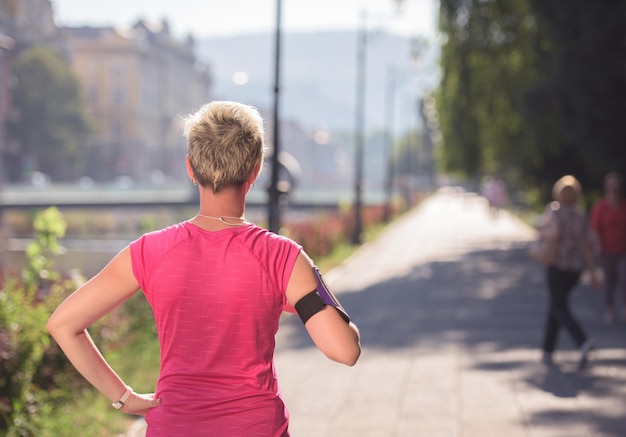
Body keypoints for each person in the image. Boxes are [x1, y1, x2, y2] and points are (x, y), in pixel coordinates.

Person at [47, 101, 361, 436]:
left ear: (190, 168)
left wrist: (123, 398)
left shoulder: (149, 251)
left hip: (173, 427)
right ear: (255, 170)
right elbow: (344, 350)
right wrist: (312, 281)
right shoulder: (281, 256)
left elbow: (63, 324)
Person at [540, 175, 597, 369]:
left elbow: (554, 233)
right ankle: (548, 349)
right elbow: (587, 245)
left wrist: (541, 232)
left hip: (558, 266)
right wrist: (592, 271)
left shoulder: (555, 211)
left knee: (558, 306)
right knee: (556, 304)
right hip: (575, 269)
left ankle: (582, 340)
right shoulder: (580, 215)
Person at [589, 171, 626, 323]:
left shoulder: (624, 206)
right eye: (611, 186)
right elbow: (594, 229)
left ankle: (624, 309)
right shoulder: (600, 207)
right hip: (607, 250)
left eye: (616, 186)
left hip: (623, 250)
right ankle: (609, 309)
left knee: (624, 279)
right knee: (610, 281)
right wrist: (597, 247)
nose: (614, 189)